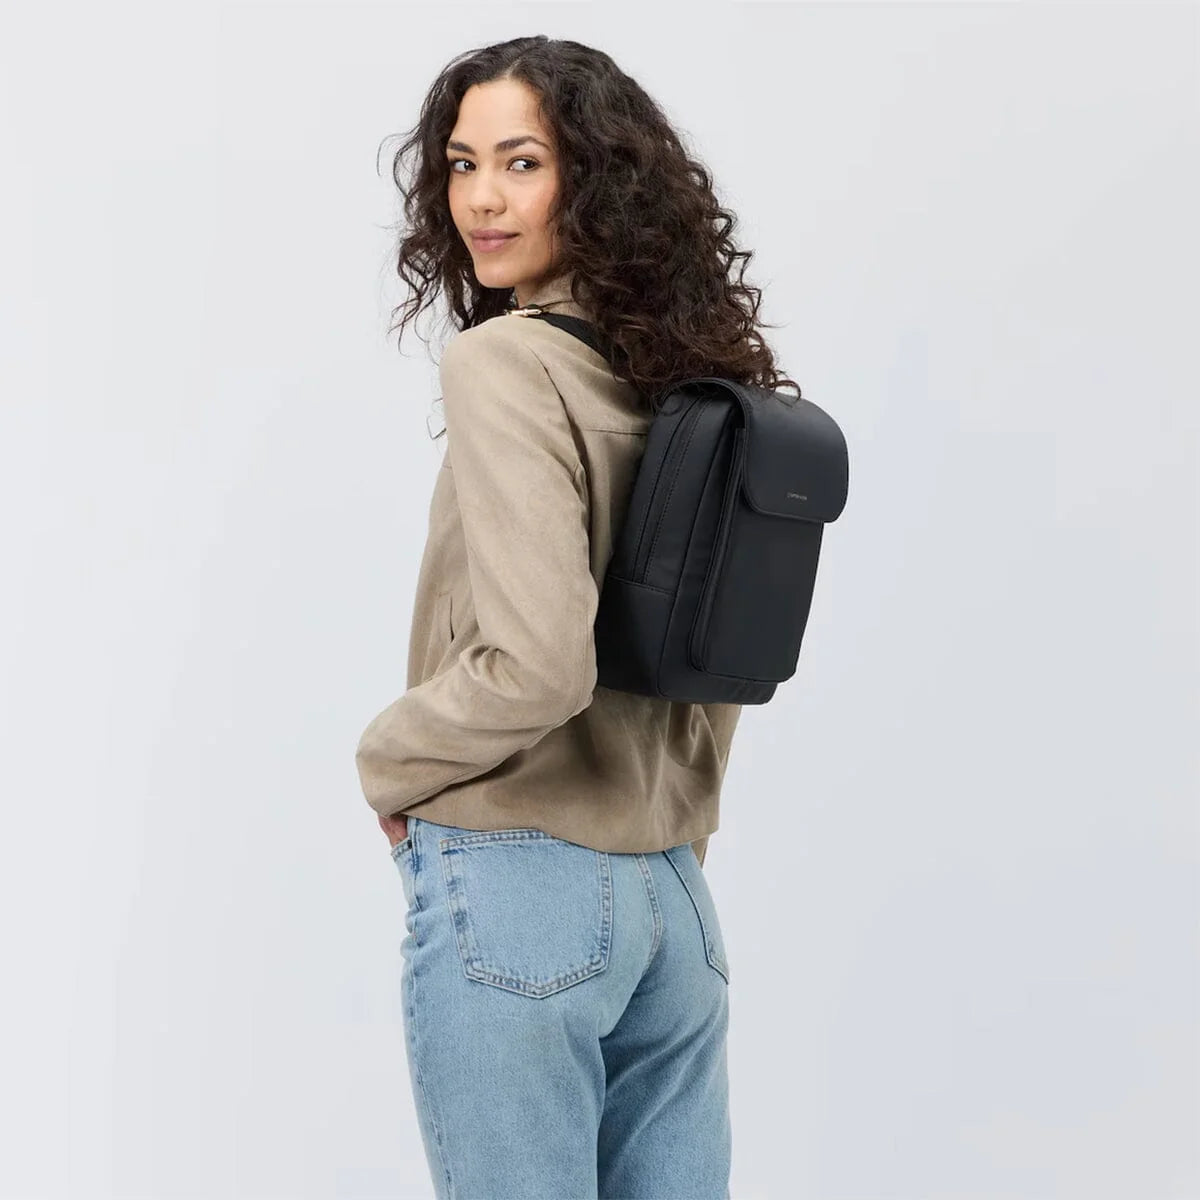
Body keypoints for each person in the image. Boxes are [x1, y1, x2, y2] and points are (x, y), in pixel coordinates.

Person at [355, 35, 802, 1200]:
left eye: (522, 163)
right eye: (462, 165)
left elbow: (540, 664)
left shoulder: (507, 364)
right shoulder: (688, 382)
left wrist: (387, 757)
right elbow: (723, 661)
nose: (481, 200)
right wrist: (671, 832)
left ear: (595, 181)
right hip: (673, 905)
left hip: (521, 885)